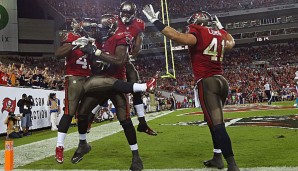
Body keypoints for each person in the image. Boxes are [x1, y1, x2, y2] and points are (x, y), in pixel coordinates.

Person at [143, 5, 239, 171]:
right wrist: (223, 28)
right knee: (213, 123)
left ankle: (232, 164)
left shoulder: (199, 32)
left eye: (192, 24)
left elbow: (177, 37)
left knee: (217, 125)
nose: (189, 27)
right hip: (222, 80)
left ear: (198, 23)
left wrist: (155, 21)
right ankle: (218, 157)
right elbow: (231, 42)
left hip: (207, 82)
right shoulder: (221, 35)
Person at [71, 14, 147, 170]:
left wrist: (96, 53)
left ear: (112, 29)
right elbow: (86, 26)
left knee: (124, 120)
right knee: (82, 113)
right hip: (99, 82)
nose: (102, 31)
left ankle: (136, 156)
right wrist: (78, 30)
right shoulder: (98, 38)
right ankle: (83, 143)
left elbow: (120, 61)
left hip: (116, 84)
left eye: (105, 28)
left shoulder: (121, 38)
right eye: (101, 28)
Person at [117, 1, 157, 136]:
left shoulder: (139, 24)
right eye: (124, 12)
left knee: (135, 84)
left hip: (126, 59)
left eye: (129, 13)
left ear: (133, 14)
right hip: (112, 59)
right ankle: (89, 118)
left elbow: (138, 44)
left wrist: (132, 55)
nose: (125, 15)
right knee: (106, 89)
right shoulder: (114, 21)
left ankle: (142, 123)